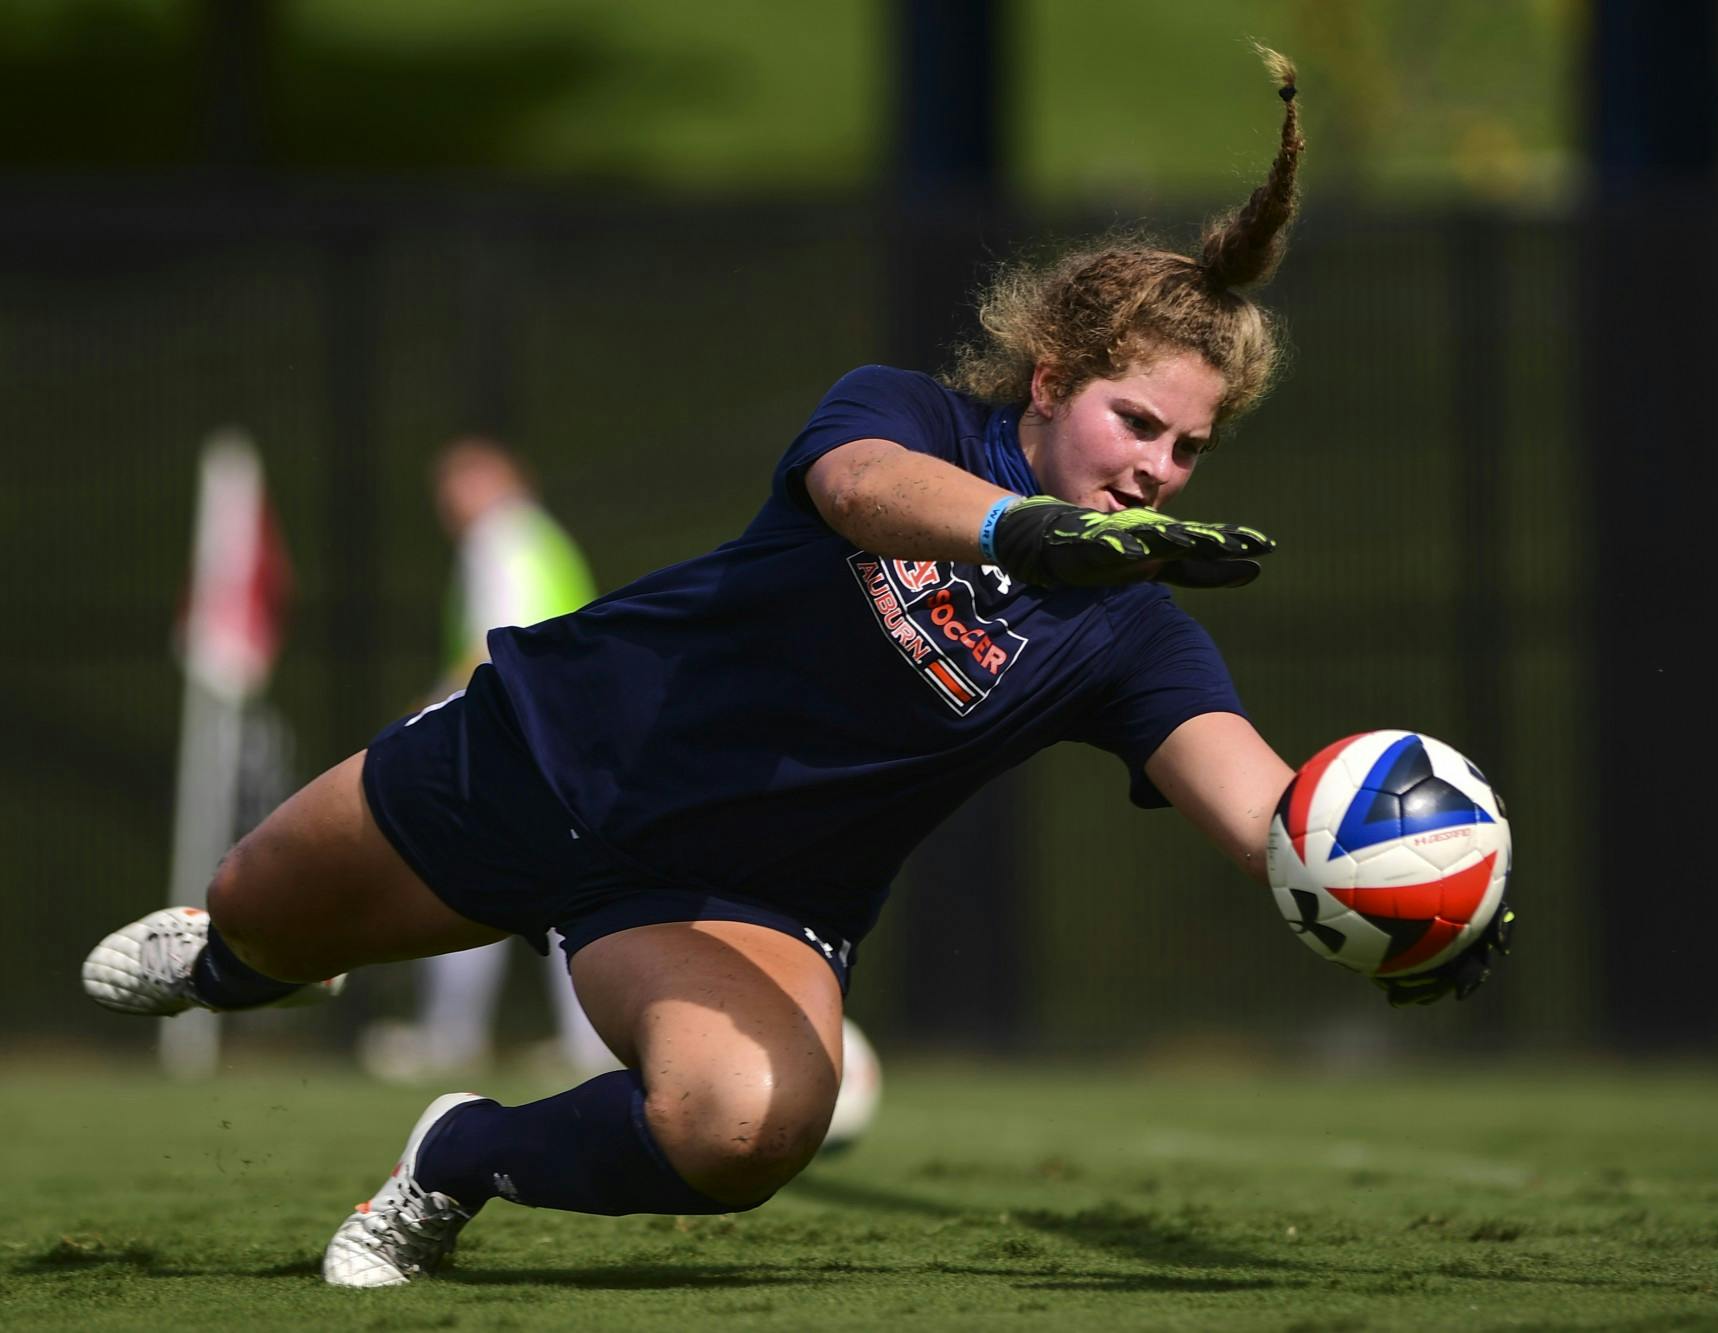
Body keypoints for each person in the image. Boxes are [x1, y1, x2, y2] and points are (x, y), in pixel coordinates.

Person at [80, 48, 1510, 1289]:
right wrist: (1034, 532)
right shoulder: (905, 417)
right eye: (1140, 421)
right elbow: (860, 493)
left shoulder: (1134, 626)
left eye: (1190, 449)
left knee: (748, 1127)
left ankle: (451, 1162)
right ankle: (245, 961)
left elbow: (1268, 813)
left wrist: (1397, 902)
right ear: (1054, 376)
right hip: (560, 745)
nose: (1158, 468)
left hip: (736, 896)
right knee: (259, 915)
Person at [356, 438, 617, 1082]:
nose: (449, 501)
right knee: (563, 890)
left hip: (526, 735)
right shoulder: (538, 538)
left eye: (462, 483)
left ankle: (451, 1038)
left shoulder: (501, 537)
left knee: (459, 875)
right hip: (563, 733)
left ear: (504, 480)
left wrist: (433, 711)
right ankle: (589, 1042)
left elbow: (495, 641)